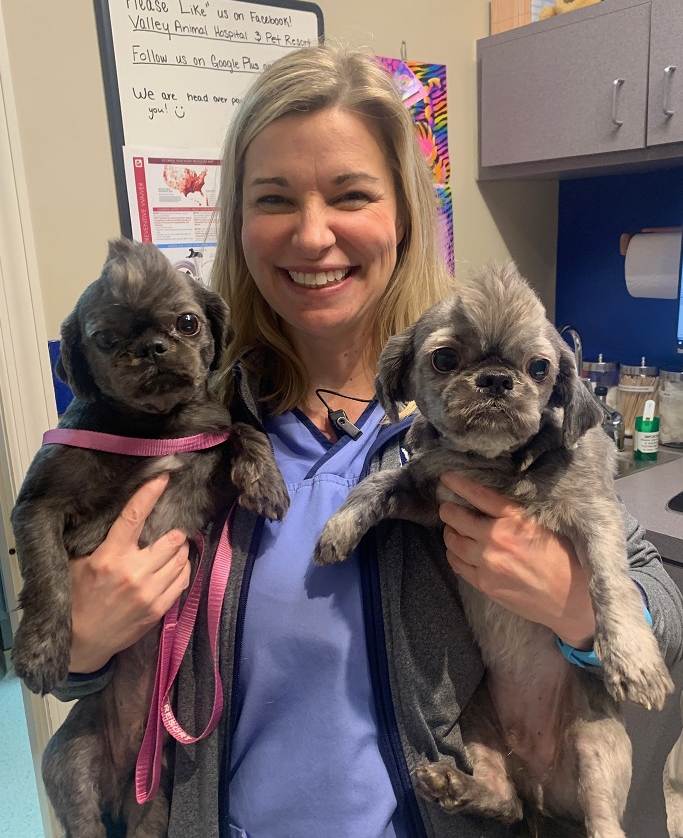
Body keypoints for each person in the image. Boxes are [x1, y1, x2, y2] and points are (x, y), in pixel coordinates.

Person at [56, 43, 683, 838]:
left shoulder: (467, 427)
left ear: (402, 215)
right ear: (240, 222)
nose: (312, 236)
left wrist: (576, 610)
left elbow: (660, 605)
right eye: (274, 198)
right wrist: (81, 645)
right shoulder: (195, 430)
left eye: (349, 194)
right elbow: (90, 661)